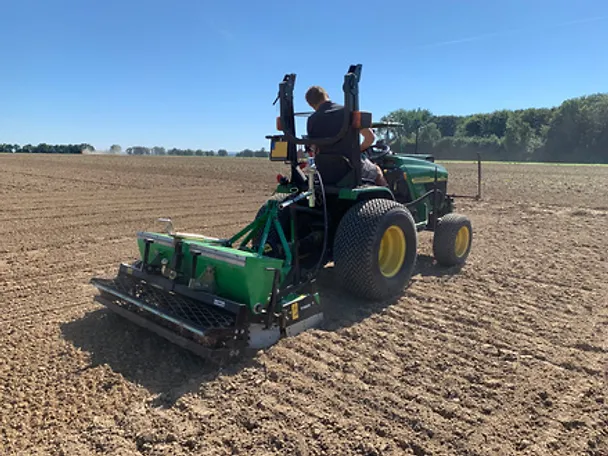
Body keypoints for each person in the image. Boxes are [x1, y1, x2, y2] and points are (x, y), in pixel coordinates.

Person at [304, 86, 387, 186]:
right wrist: (358, 149)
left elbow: (314, 147)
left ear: (310, 104)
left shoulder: (311, 120)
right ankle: (389, 195)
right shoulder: (348, 112)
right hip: (349, 168)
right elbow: (370, 138)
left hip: (325, 170)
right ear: (326, 95)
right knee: (377, 171)